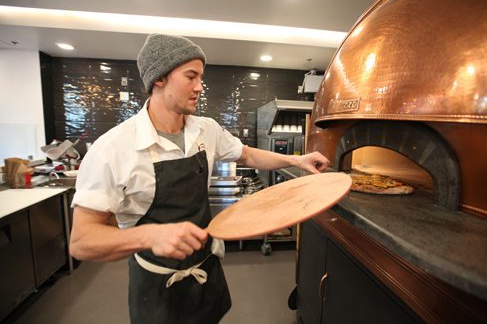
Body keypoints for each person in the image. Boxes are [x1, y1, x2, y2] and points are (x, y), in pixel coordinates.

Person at [69, 33, 329, 324]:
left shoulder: (206, 130)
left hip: (206, 270)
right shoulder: (113, 148)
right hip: (156, 285)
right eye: (190, 76)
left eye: (200, 77)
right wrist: (150, 235)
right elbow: (82, 241)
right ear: (159, 79)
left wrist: (296, 160)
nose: (200, 87)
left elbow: (247, 155)